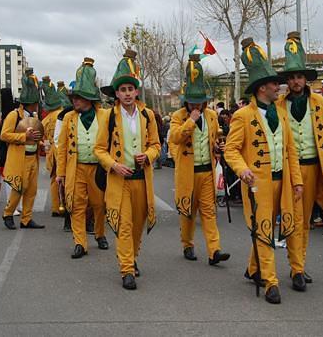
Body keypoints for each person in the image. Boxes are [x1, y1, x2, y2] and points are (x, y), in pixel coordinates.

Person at [225, 38, 304, 304]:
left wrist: (297, 180)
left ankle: (253, 268)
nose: (278, 86)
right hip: (259, 184)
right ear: (262, 88)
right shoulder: (242, 116)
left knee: (286, 227)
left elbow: (290, 150)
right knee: (265, 229)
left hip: (284, 181)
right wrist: (242, 169)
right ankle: (270, 281)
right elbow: (231, 150)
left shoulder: (281, 113)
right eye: (274, 83)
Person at [95, 49, 161, 290]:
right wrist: (113, 165)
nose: (127, 94)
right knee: (123, 225)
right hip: (119, 180)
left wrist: (150, 155)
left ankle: (132, 258)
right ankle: (126, 270)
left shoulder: (148, 115)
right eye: (122, 90)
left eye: (130, 89)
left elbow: (156, 144)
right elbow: (99, 149)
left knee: (137, 224)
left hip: (142, 179)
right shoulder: (108, 117)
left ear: (136, 91)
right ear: (117, 94)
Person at [277, 31, 323, 283]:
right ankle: (297, 268)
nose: (296, 81)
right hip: (290, 169)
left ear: (305, 78)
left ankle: (298, 265)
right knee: (295, 219)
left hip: (314, 167)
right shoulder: (279, 104)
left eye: (299, 76)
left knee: (305, 221)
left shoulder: (319, 102)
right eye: (291, 77)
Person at [169, 54, 230, 266]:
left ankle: (214, 250)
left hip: (207, 170)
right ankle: (187, 244)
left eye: (200, 101)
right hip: (188, 172)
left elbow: (213, 139)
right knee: (188, 211)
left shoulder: (212, 116)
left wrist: (217, 147)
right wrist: (191, 122)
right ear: (186, 101)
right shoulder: (178, 116)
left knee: (209, 211)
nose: (197, 105)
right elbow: (175, 138)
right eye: (193, 101)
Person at [56, 57, 109, 258]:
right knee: (76, 205)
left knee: (99, 204)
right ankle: (80, 242)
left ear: (89, 99)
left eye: (78, 97)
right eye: (73, 98)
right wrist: (60, 172)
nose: (74, 101)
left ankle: (100, 233)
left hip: (98, 167)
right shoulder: (69, 117)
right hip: (76, 167)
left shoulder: (105, 115)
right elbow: (62, 147)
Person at [0, 67, 45, 230]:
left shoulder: (34, 117)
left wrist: (40, 143)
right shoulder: (14, 115)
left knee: (32, 190)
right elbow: (4, 135)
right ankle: (8, 213)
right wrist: (23, 137)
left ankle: (26, 219)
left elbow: (35, 137)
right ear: (30, 103)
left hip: (33, 158)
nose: (37, 106)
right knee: (18, 188)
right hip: (20, 158)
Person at [41, 75, 65, 218]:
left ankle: (56, 207)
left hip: (51, 151)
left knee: (54, 179)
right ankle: (64, 206)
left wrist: (46, 144)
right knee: (65, 179)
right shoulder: (64, 115)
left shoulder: (45, 119)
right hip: (62, 150)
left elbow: (39, 135)